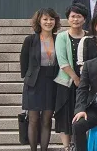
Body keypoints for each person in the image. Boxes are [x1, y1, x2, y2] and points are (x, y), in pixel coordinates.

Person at [20, 8, 60, 151]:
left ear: (55, 21)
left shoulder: (58, 38)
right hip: (34, 82)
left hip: (51, 81)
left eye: (51, 19)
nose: (48, 22)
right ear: (39, 21)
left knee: (47, 119)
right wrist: (28, 77)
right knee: (33, 119)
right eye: (45, 19)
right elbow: (23, 61)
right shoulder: (30, 40)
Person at [55, 5, 88, 151]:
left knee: (82, 112)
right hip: (66, 81)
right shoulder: (62, 36)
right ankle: (67, 146)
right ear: (68, 18)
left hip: (86, 82)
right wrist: (75, 78)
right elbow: (62, 61)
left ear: (84, 19)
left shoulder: (89, 36)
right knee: (65, 113)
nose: (75, 19)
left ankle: (79, 144)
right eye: (73, 16)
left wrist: (84, 80)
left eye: (79, 16)